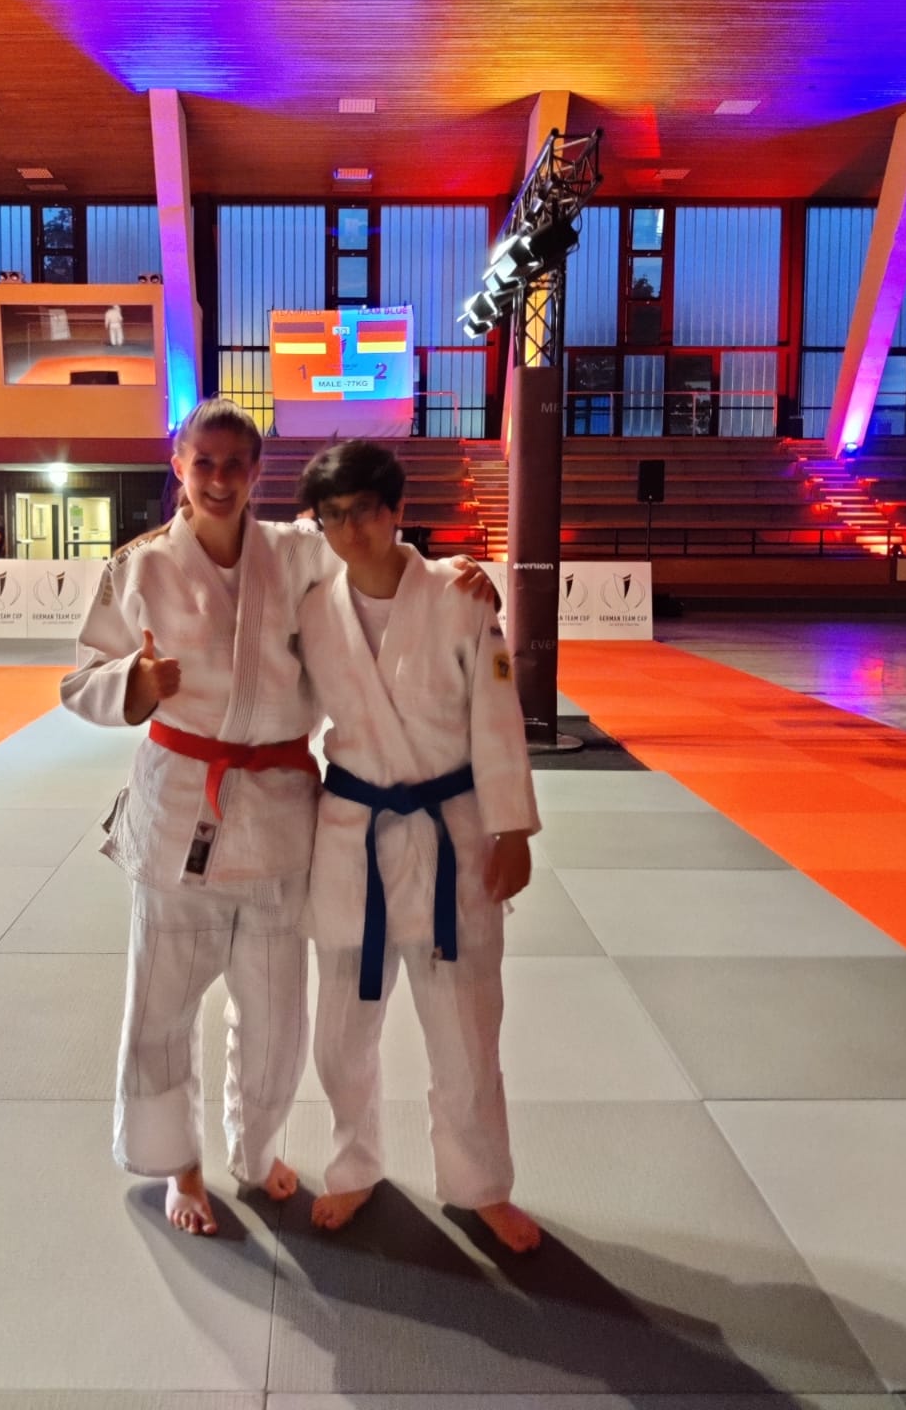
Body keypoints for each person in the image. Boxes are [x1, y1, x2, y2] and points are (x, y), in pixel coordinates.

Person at [61, 399, 494, 1239]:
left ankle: (254, 1153)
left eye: (236, 465)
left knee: (276, 1020)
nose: (220, 479)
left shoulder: (299, 552)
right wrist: (132, 686)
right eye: (204, 462)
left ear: (258, 472)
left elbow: (380, 566)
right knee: (159, 1008)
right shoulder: (138, 567)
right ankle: (179, 1165)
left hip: (281, 815)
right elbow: (80, 681)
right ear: (178, 465)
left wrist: (458, 573)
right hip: (178, 809)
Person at [295, 439, 542, 1254]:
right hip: (351, 837)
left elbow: (497, 719)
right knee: (340, 1036)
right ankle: (353, 1164)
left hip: (451, 835)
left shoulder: (460, 598)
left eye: (365, 510)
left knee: (467, 1034)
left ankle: (481, 1185)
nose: (350, 530)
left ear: (398, 510)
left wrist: (513, 828)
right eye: (333, 516)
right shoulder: (311, 609)